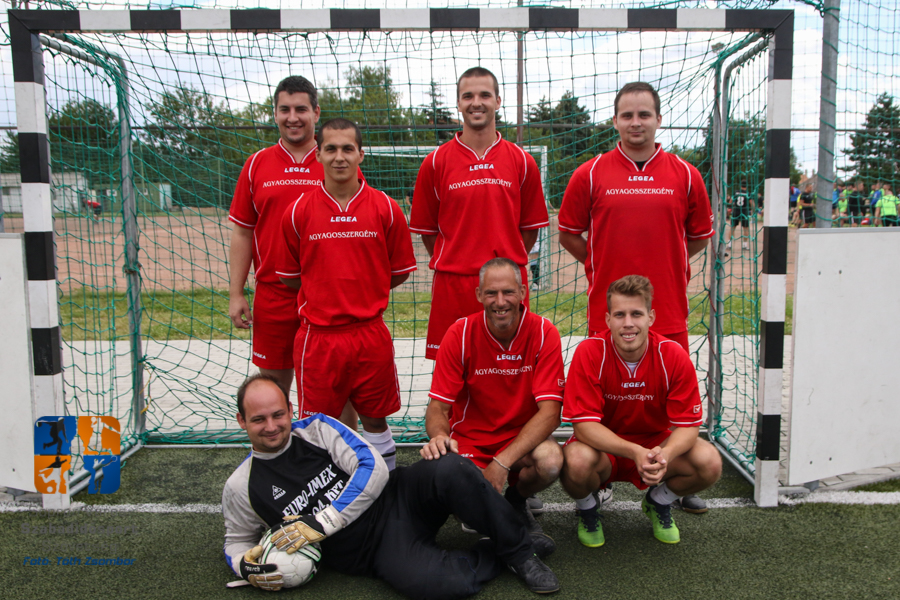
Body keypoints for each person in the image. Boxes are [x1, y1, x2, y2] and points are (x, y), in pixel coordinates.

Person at [222, 373, 560, 597]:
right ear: (241, 421)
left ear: (290, 409)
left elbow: (373, 468)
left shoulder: (317, 429)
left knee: (451, 467)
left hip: (398, 497)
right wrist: (245, 566)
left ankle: (519, 551)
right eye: (258, 419)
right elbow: (237, 541)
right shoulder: (241, 486)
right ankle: (497, 552)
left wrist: (322, 521)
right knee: (443, 584)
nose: (272, 426)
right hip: (373, 549)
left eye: (278, 414)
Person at [557, 82, 713, 513]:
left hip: (668, 313)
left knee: (665, 404)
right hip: (609, 314)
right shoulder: (590, 173)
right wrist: (597, 263)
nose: (636, 122)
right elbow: (568, 233)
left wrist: (669, 263)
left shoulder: (685, 174)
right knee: (609, 404)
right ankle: (603, 480)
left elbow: (698, 237)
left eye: (644, 114)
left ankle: (670, 482)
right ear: (615, 121)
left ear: (658, 119)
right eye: (627, 115)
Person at [277, 118, 417, 470]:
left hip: (370, 334)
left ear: (361, 155)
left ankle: (387, 489)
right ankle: (329, 493)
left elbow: (398, 272)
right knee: (319, 427)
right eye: (331, 149)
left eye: (347, 149)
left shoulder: (386, 208)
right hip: (319, 338)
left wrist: (363, 292)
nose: (339, 157)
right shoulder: (297, 211)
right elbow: (292, 278)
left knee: (376, 420)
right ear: (318, 155)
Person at [560, 275, 722, 547]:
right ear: (607, 319)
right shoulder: (589, 352)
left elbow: (688, 425)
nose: (628, 323)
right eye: (619, 315)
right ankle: (588, 509)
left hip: (654, 445)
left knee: (709, 461)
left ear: (651, 317)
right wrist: (634, 451)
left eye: (636, 314)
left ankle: (658, 501)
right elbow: (584, 427)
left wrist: (666, 454)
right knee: (575, 460)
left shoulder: (673, 354)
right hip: (603, 448)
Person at [409, 66, 549, 361]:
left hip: (507, 287)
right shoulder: (435, 163)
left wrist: (503, 270)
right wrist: (458, 259)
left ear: (498, 101)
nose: (476, 103)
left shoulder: (522, 162)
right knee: (453, 373)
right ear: (458, 103)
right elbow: (429, 232)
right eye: (468, 96)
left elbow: (529, 230)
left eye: (485, 95)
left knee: (510, 369)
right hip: (454, 285)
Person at [421, 258, 565, 533]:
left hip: (522, 442)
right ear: (479, 295)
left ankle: (516, 498)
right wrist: (439, 436)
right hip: (472, 443)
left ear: (523, 292)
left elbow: (550, 413)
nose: (500, 302)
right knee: (458, 494)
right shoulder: (459, 333)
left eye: (508, 292)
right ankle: (487, 504)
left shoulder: (544, 332)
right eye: (491, 293)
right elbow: (438, 407)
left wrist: (502, 462)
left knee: (551, 461)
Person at [726, 182, 753, 251]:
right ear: (746, 186)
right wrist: (754, 209)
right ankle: (744, 245)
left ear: (740, 185)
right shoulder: (748, 193)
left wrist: (729, 207)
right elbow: (752, 203)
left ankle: (729, 245)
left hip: (736, 211)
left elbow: (730, 202)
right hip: (744, 212)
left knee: (732, 228)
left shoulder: (736, 192)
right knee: (746, 228)